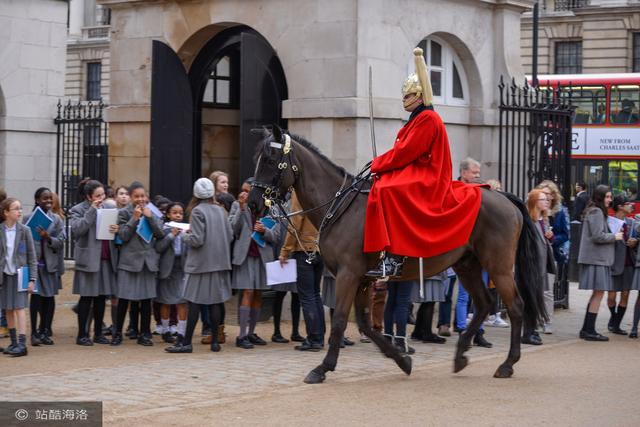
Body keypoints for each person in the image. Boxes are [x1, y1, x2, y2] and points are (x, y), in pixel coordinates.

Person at [364, 48, 484, 278]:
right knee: (381, 184)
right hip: (417, 169)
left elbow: (405, 153)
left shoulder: (428, 118)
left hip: (430, 175)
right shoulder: (417, 118)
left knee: (389, 189)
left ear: (419, 96)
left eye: (407, 96)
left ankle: (394, 257)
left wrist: (378, 163)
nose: (403, 99)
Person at [166, 178, 233, 353]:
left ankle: (187, 343)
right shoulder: (221, 211)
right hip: (220, 263)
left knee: (194, 302)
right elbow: (230, 235)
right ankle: (215, 343)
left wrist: (184, 234)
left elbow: (197, 239)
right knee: (215, 302)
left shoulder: (197, 211)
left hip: (201, 264)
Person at [229, 180, 280, 349]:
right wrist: (242, 209)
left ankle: (251, 332)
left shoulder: (269, 207)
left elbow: (276, 236)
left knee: (258, 293)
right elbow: (233, 230)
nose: (243, 193)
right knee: (248, 292)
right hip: (244, 256)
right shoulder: (237, 206)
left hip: (262, 256)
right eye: (242, 190)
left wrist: (264, 231)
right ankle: (241, 335)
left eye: (247, 190)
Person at [112, 182, 164, 347]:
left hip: (147, 262)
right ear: (131, 197)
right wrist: (134, 218)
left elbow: (160, 233)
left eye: (143, 196)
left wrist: (149, 217)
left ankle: (145, 334)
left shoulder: (153, 212)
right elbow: (124, 236)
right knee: (124, 299)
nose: (140, 199)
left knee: (146, 300)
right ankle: (117, 333)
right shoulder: (123, 213)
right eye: (136, 196)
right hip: (129, 261)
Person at [70, 180, 119, 346]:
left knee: (101, 298)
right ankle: (82, 334)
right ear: (88, 196)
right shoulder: (78, 210)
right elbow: (77, 230)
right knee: (86, 297)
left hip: (105, 257)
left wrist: (115, 229)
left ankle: (99, 333)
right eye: (97, 196)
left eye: (103, 195)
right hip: (88, 259)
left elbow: (114, 229)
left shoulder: (110, 208)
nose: (101, 198)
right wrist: (92, 210)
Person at [279, 190, 325, 352]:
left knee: (307, 297)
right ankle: (319, 336)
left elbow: (295, 222)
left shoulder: (301, 194)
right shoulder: (320, 191)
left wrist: (285, 250)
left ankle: (313, 339)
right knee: (315, 294)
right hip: (319, 249)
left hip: (304, 249)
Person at [578, 185, 624, 341]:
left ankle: (586, 329)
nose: (610, 200)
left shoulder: (594, 210)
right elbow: (598, 236)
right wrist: (615, 236)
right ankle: (589, 330)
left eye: (610, 197)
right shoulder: (596, 212)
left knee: (596, 294)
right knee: (598, 294)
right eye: (607, 197)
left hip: (597, 259)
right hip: (597, 259)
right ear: (600, 197)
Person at [23, 188, 65, 346]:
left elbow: (61, 242)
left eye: (50, 199)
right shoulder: (27, 218)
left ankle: (45, 330)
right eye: (44, 199)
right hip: (34, 264)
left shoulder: (57, 219)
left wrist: (48, 238)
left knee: (49, 298)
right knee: (36, 298)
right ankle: (34, 332)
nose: (48, 201)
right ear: (37, 200)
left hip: (50, 264)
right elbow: (23, 242)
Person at [0, 197, 37, 356]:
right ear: (6, 212)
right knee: (8, 307)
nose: (19, 211)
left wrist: (32, 279)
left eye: (20, 208)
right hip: (4, 276)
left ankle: (22, 344)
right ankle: (13, 342)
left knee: (20, 307)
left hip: (20, 274)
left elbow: (32, 257)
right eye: (15, 209)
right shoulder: (0, 230)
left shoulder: (25, 231)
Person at [521, 189, 555, 345]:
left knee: (538, 298)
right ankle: (528, 332)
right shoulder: (528, 219)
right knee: (530, 299)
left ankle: (532, 329)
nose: (546, 201)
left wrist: (549, 237)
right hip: (531, 266)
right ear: (535, 201)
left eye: (547, 199)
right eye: (543, 199)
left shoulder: (543, 219)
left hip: (542, 265)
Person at [536, 180, 570, 334]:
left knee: (547, 290)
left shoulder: (559, 212)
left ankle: (547, 321)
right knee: (534, 288)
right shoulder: (534, 211)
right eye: (544, 194)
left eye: (550, 194)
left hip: (551, 255)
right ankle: (535, 319)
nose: (547, 197)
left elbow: (565, 234)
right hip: (535, 254)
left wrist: (553, 237)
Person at [155, 202, 188, 344]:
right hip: (168, 268)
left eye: (180, 213)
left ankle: (181, 331)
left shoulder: (187, 229)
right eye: (175, 212)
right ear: (168, 214)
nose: (178, 215)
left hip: (182, 267)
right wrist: (171, 236)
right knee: (165, 300)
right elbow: (158, 248)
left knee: (182, 300)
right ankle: (165, 329)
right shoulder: (163, 229)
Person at [608, 196, 637, 335]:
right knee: (611, 296)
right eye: (628, 204)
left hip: (628, 262)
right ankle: (613, 318)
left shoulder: (631, 222)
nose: (631, 205)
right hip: (614, 262)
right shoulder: (610, 222)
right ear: (620, 206)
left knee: (625, 294)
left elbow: (636, 237)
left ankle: (617, 325)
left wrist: (635, 241)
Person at [410, 271, 447, 344]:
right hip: (432, 270)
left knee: (426, 302)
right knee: (429, 302)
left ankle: (417, 332)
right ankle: (427, 333)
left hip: (424, 270)